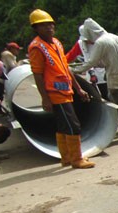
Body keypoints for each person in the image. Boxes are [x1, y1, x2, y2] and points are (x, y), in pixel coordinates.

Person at [27, 9, 95, 168]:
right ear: (35, 28)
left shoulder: (56, 43)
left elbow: (66, 67)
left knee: (64, 126)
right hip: (55, 93)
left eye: (50, 24)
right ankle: (76, 159)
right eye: (43, 25)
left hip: (66, 90)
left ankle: (67, 158)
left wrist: (79, 88)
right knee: (73, 125)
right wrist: (45, 98)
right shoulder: (37, 47)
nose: (49, 27)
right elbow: (37, 74)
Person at [71, 18, 118, 143]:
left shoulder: (101, 42)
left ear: (91, 33)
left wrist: (74, 70)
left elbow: (91, 61)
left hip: (115, 79)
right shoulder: (116, 38)